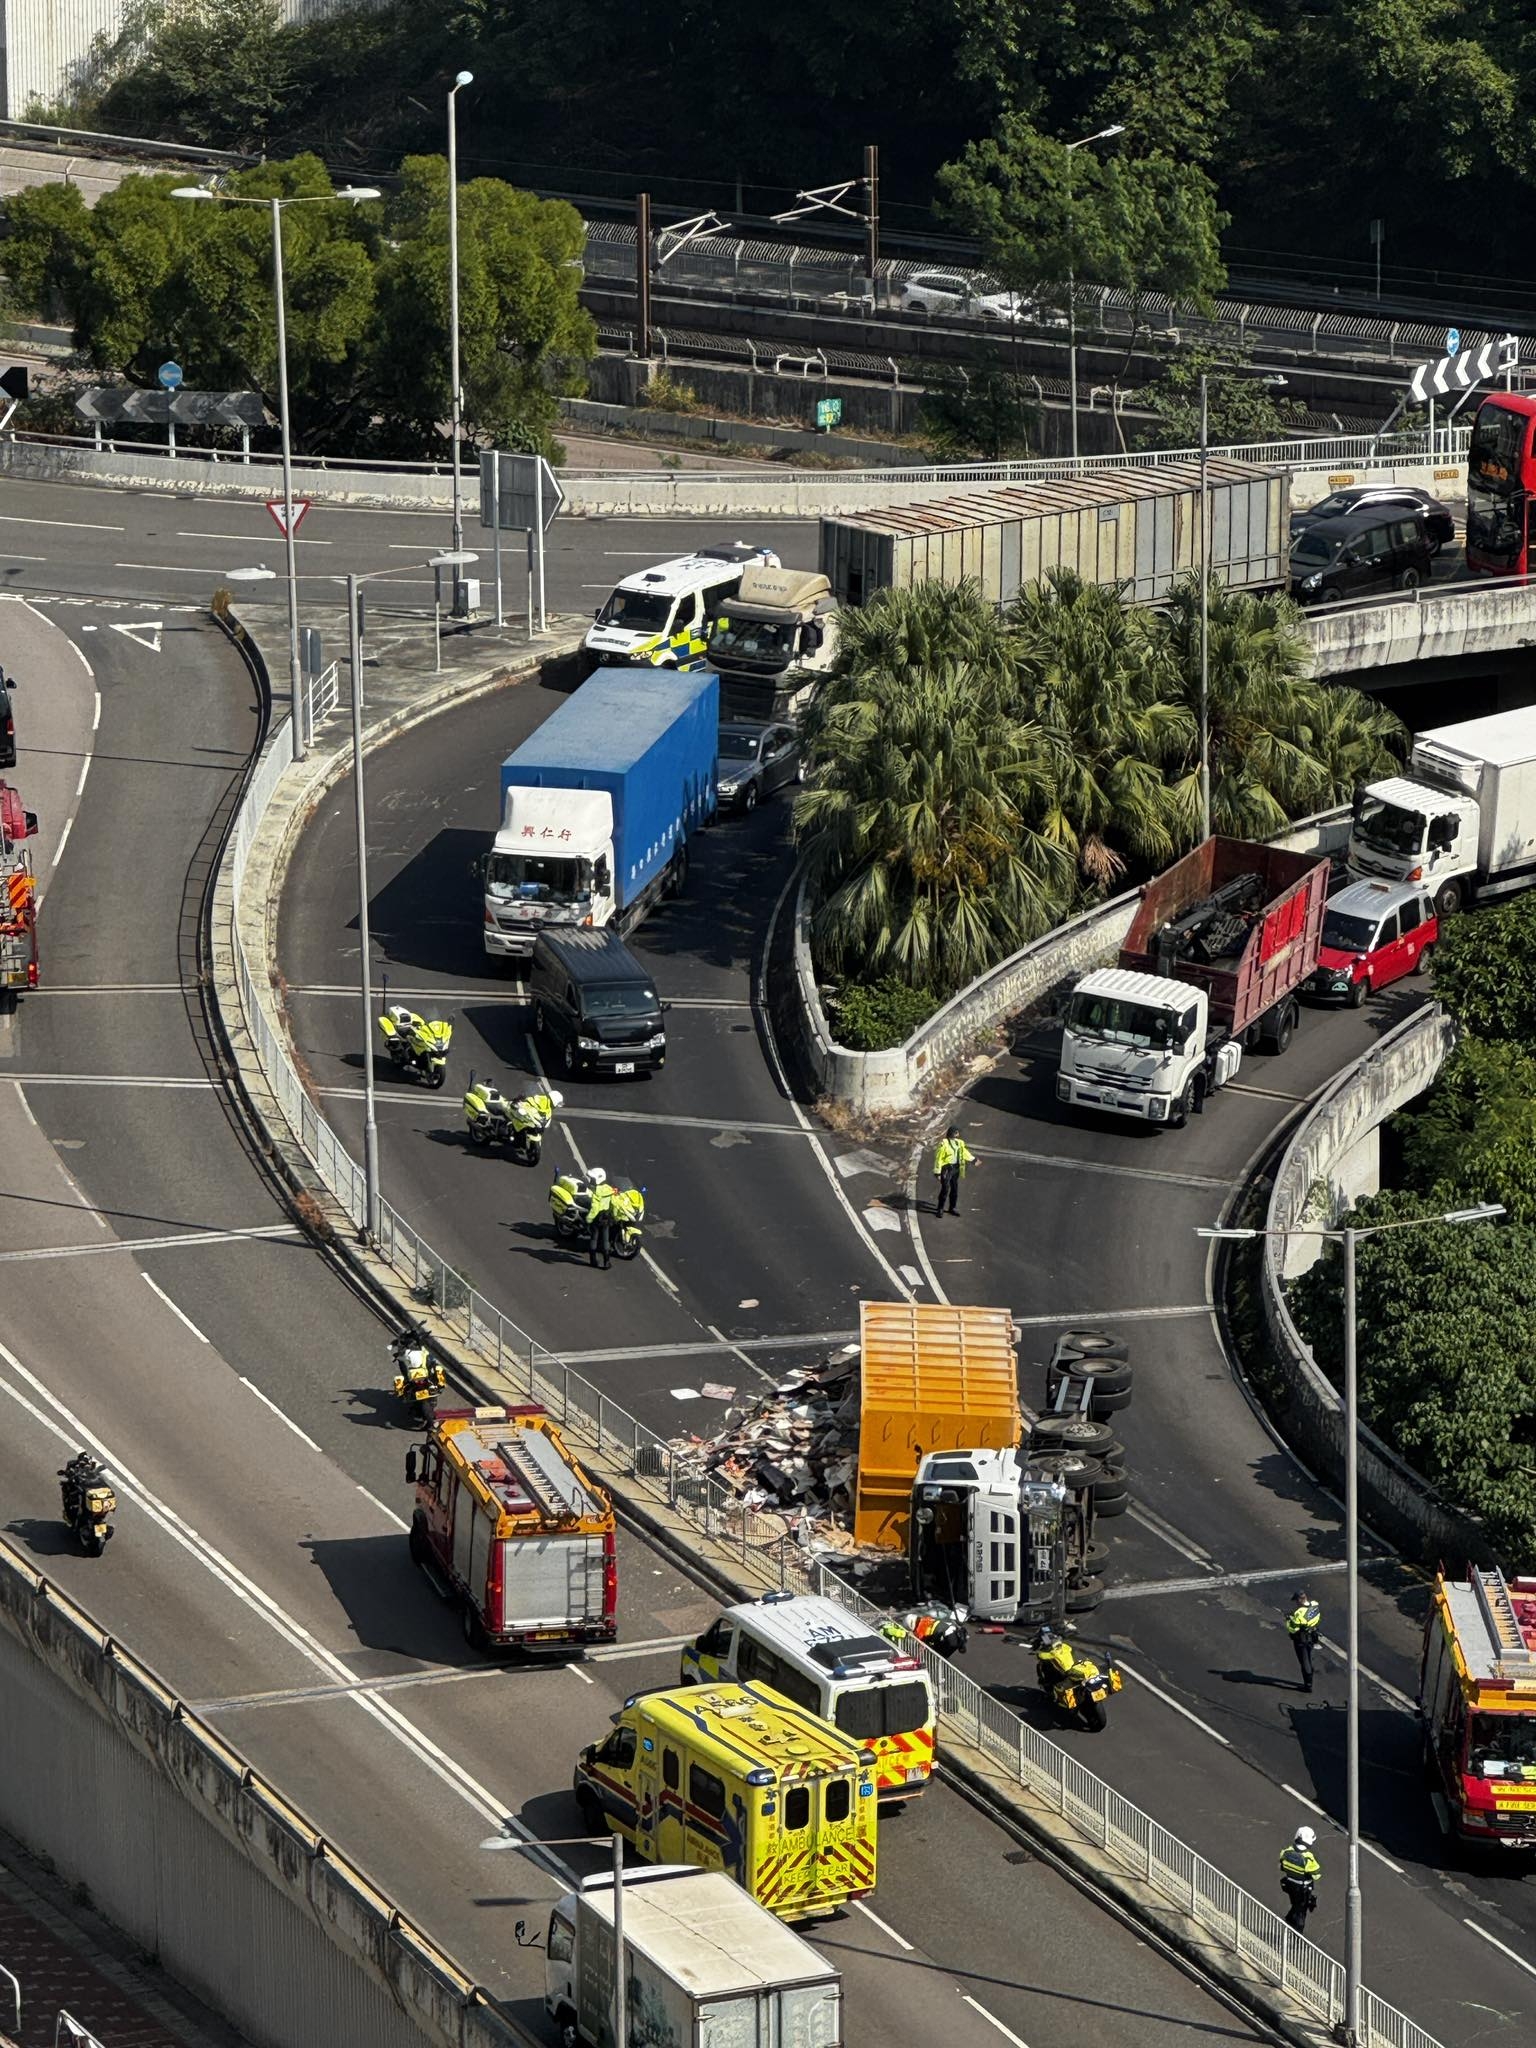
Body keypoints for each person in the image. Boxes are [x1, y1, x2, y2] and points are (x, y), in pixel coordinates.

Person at [1279, 1826, 1321, 1931]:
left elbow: (1282, 1866)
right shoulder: (1308, 1858)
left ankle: (1289, 1921)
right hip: (1303, 1888)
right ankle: (1297, 1936)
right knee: (1301, 1914)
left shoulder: (1286, 1852)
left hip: (1289, 1885)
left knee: (1295, 1905)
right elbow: (1316, 1874)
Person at [932, 1126, 975, 1216]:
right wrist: (937, 1172)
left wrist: (973, 1159)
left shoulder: (959, 1143)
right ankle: (940, 1208)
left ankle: (952, 1207)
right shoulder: (944, 1143)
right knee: (945, 1188)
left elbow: (964, 1152)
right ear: (953, 1133)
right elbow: (939, 1158)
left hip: (956, 1168)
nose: (958, 1134)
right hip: (947, 1169)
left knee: (954, 1188)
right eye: (957, 1132)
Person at [1286, 1589, 1322, 1693]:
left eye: (1296, 1601)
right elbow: (1316, 1618)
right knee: (1310, 1658)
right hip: (1313, 1635)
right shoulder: (1314, 1605)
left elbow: (1293, 1629)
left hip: (1301, 1639)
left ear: (1299, 1600)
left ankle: (1308, 1685)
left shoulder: (1299, 1613)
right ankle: (1310, 1678)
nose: (1296, 1603)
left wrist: (1289, 1620)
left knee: (1304, 1661)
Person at [586, 1166, 616, 1270]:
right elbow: (614, 1204)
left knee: (594, 1238)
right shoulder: (609, 1189)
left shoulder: (596, 1192)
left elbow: (595, 1208)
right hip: (607, 1218)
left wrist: (588, 1219)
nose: (590, 1180)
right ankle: (607, 1262)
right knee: (606, 1240)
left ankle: (593, 1260)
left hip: (597, 1218)